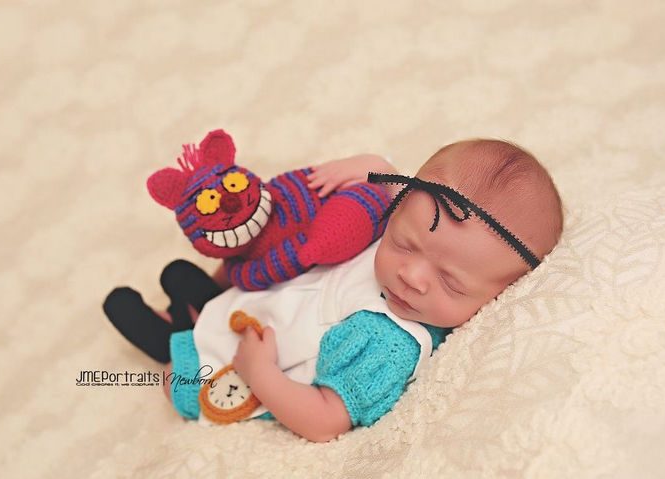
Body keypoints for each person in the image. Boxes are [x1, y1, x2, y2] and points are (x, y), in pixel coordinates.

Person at [110, 139, 564, 442]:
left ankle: (169, 336)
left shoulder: (391, 344)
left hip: (248, 361)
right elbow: (391, 183)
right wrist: (369, 165)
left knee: (173, 376)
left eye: (450, 281)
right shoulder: (425, 219)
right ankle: (193, 303)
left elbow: (326, 419)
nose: (412, 276)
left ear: (501, 295)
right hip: (270, 296)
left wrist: (261, 374)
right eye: (403, 243)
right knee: (218, 285)